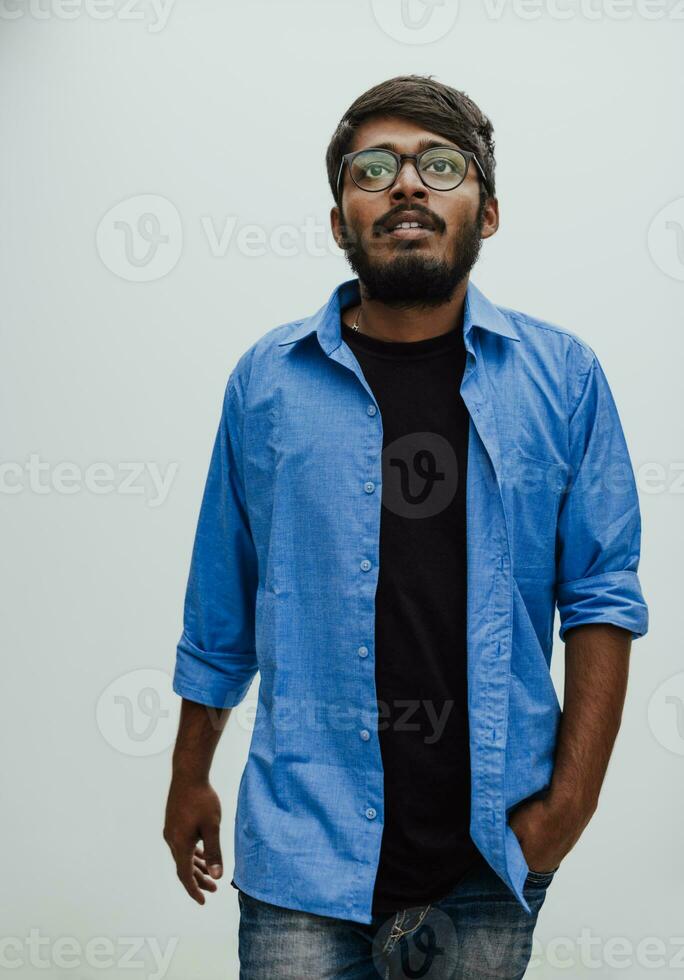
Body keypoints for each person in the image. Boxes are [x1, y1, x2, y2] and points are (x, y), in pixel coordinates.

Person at [163, 74, 649, 979]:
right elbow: (219, 602)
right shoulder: (266, 383)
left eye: (439, 164)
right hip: (303, 853)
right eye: (374, 169)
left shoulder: (564, 379)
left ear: (488, 210)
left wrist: (570, 803)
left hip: (491, 851)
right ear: (341, 219)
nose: (407, 186)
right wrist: (190, 775)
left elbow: (601, 593)